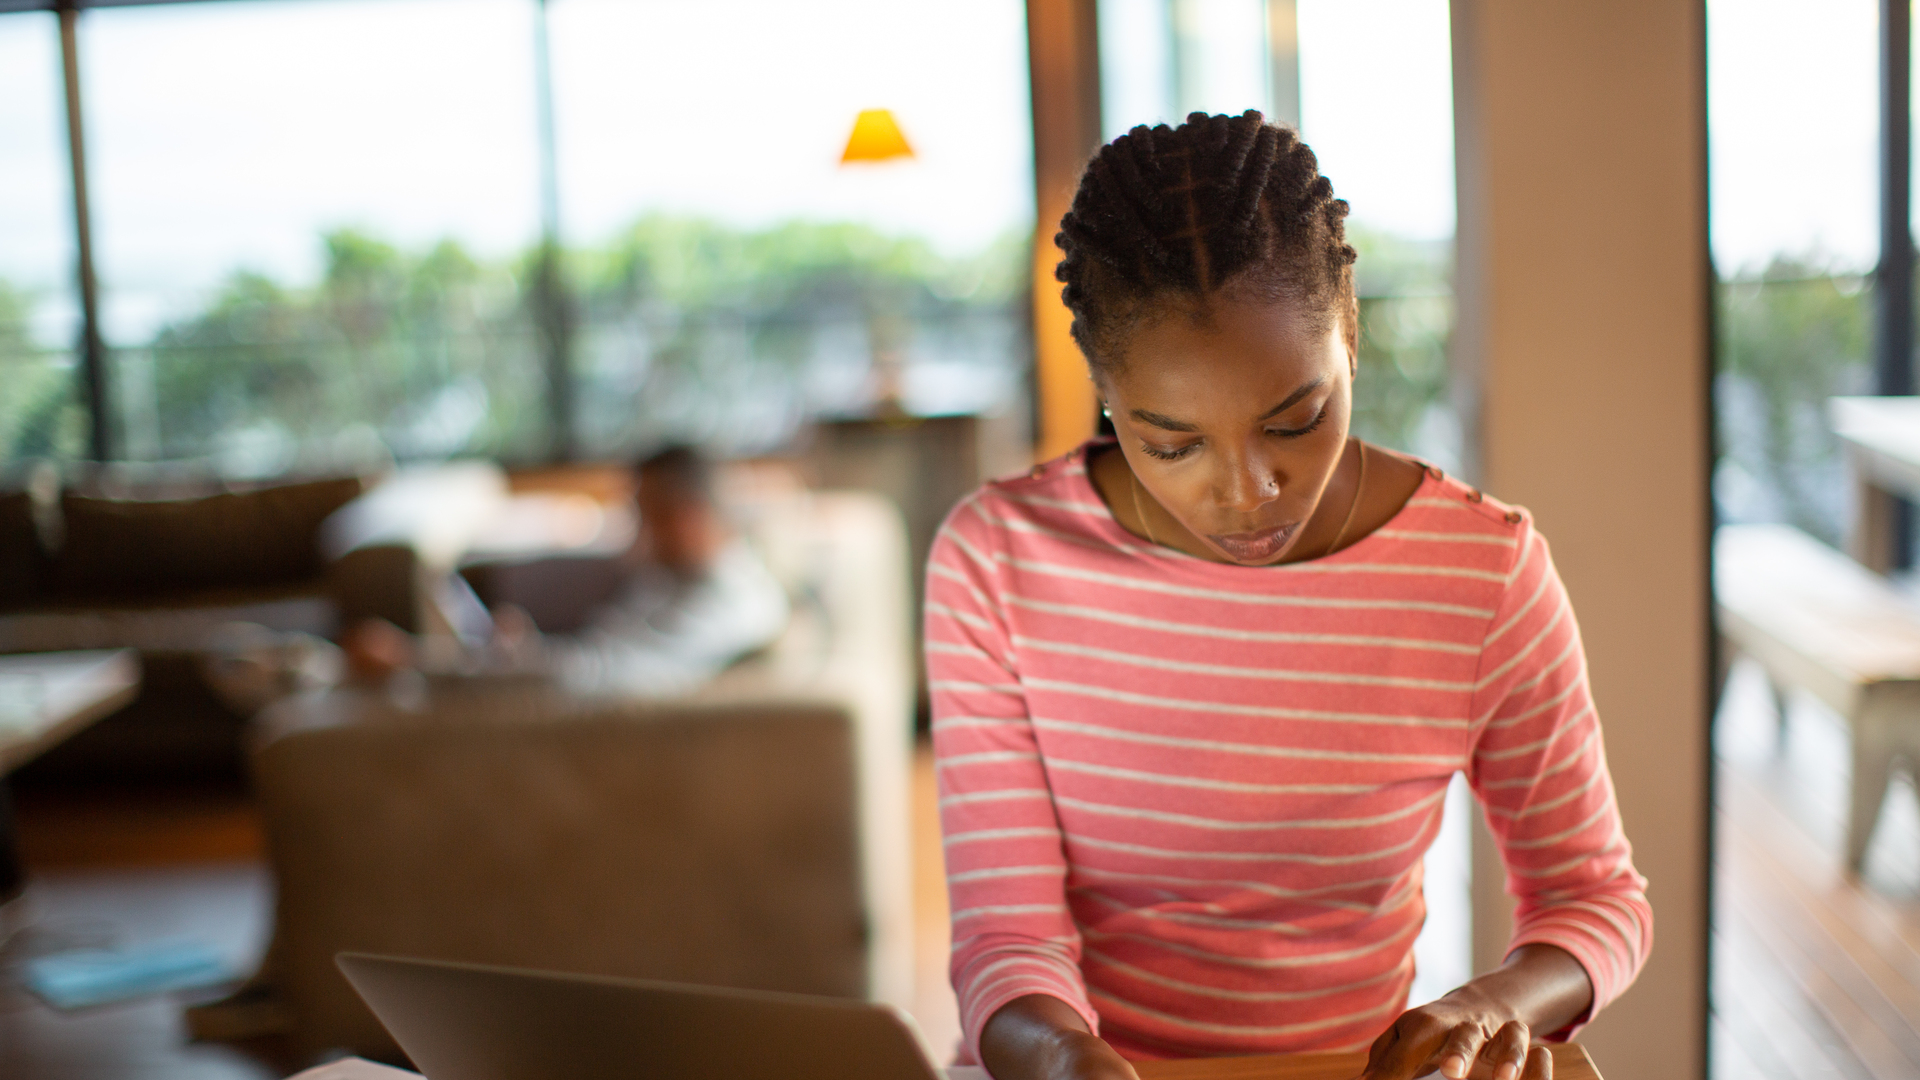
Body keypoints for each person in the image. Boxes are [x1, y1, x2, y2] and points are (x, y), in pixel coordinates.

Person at [924, 112, 1649, 1080]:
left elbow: (1594, 898)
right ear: (1103, 389)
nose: (1247, 490)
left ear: (1351, 334)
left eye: (1296, 421)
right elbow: (1005, 938)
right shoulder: (994, 562)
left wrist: (1481, 1009)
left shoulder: (1483, 573)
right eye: (1173, 443)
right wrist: (1064, 1059)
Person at [343, 445, 788, 698]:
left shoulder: (727, 601)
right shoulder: (676, 577)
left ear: (685, 517)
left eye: (645, 515)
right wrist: (525, 652)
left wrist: (416, 663)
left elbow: (593, 681)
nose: (637, 532)